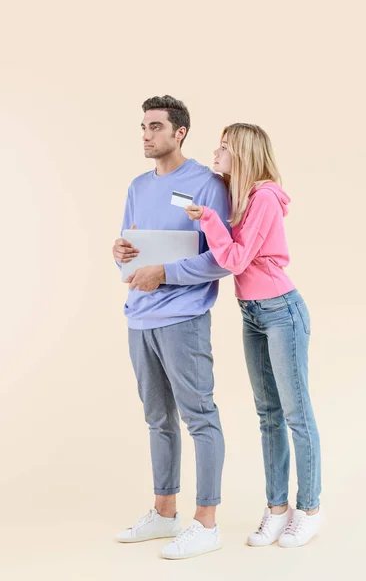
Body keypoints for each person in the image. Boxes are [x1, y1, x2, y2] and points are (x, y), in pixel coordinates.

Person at [185, 123, 322, 548]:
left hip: (282, 312)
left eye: (224, 147)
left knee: (296, 415)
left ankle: (310, 509)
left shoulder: (262, 198)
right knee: (268, 416)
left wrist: (208, 219)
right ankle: (277, 509)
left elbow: (237, 259)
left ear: (242, 153)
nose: (216, 152)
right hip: (253, 315)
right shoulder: (240, 201)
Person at [112, 95, 231, 560]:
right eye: (143, 127)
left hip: (183, 319)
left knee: (199, 416)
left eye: (155, 127)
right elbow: (127, 242)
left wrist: (164, 273)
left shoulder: (207, 184)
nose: (146, 135)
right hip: (138, 317)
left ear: (179, 132)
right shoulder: (137, 186)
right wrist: (119, 252)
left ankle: (207, 522)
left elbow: (221, 258)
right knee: (157, 419)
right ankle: (164, 512)